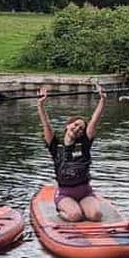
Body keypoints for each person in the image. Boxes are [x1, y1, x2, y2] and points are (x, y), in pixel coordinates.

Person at [37, 83, 106, 221]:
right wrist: (40, 105)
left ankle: (83, 206)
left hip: (85, 192)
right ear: (68, 125)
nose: (77, 129)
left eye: (81, 129)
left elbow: (94, 120)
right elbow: (46, 125)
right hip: (65, 193)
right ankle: (62, 211)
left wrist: (102, 100)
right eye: (76, 125)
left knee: (96, 215)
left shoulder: (84, 144)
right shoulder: (55, 146)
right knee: (75, 216)